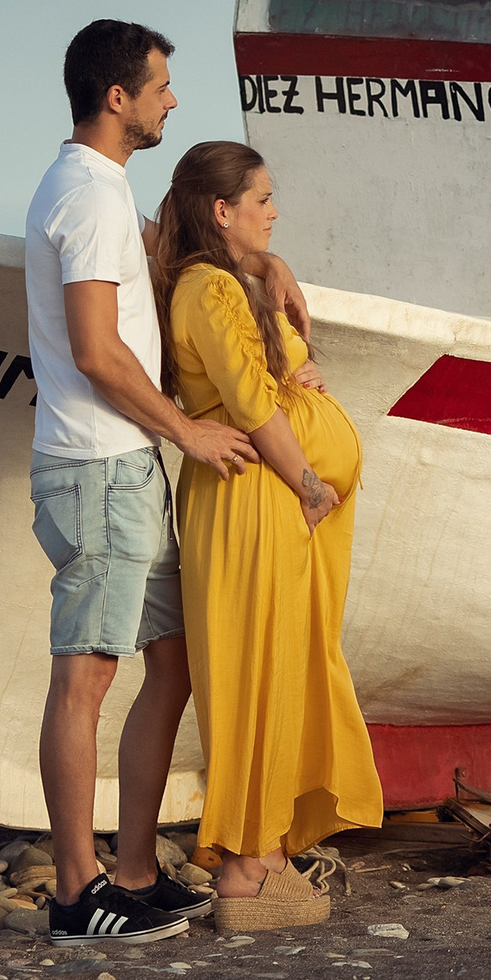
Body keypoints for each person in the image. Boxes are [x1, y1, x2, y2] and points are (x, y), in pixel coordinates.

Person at [22, 21, 308, 947]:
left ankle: (136, 871)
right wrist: (188, 430)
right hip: (99, 467)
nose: (172, 99)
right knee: (86, 677)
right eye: (160, 86)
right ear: (119, 98)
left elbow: (171, 253)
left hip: (126, 468)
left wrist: (263, 261)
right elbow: (96, 349)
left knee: (172, 663)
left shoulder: (104, 188)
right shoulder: (86, 196)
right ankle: (78, 894)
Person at [152, 140, 383, 931]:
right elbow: (251, 407)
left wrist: (298, 372)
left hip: (262, 497)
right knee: (255, 673)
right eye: (263, 199)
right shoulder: (211, 289)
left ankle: (268, 851)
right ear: (223, 210)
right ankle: (248, 869)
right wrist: (311, 482)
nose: (275, 211)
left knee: (279, 669)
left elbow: (261, 386)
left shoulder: (225, 279)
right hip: (254, 495)